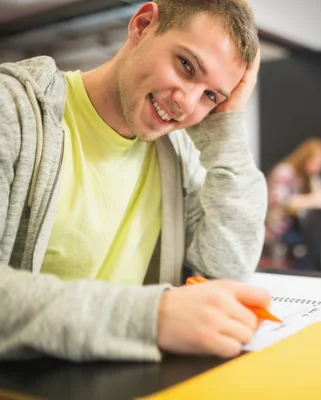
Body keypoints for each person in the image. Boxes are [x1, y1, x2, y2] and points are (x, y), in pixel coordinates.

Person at [0, 0, 272, 362]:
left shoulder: (175, 154)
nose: (186, 105)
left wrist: (226, 132)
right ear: (143, 25)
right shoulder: (12, 111)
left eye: (210, 95)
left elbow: (224, 274)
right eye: (186, 66)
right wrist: (151, 317)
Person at [265, 138, 321, 266]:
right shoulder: (285, 172)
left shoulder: (310, 177)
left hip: (299, 227)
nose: (319, 167)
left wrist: (313, 181)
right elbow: (282, 204)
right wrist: (311, 199)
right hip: (280, 228)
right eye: (316, 162)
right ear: (306, 157)